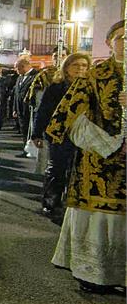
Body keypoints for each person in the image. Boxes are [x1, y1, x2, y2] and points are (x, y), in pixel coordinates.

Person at [47, 21, 125, 294]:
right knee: (101, 218)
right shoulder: (94, 77)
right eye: (121, 37)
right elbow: (70, 119)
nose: (125, 42)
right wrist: (112, 144)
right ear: (109, 42)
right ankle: (94, 273)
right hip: (100, 163)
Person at [32, 52, 91, 223]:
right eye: (76, 65)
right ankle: (51, 202)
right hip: (59, 134)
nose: (80, 68)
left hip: (84, 135)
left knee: (77, 170)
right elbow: (43, 111)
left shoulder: (91, 87)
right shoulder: (56, 87)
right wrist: (37, 133)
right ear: (66, 68)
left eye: (84, 65)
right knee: (57, 168)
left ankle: (73, 204)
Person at [13, 57, 38, 155]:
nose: (16, 71)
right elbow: (16, 94)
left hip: (30, 109)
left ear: (24, 66)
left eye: (18, 68)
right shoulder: (19, 77)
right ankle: (26, 149)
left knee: (31, 130)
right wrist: (15, 108)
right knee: (24, 129)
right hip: (20, 109)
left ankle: (34, 150)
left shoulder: (36, 76)